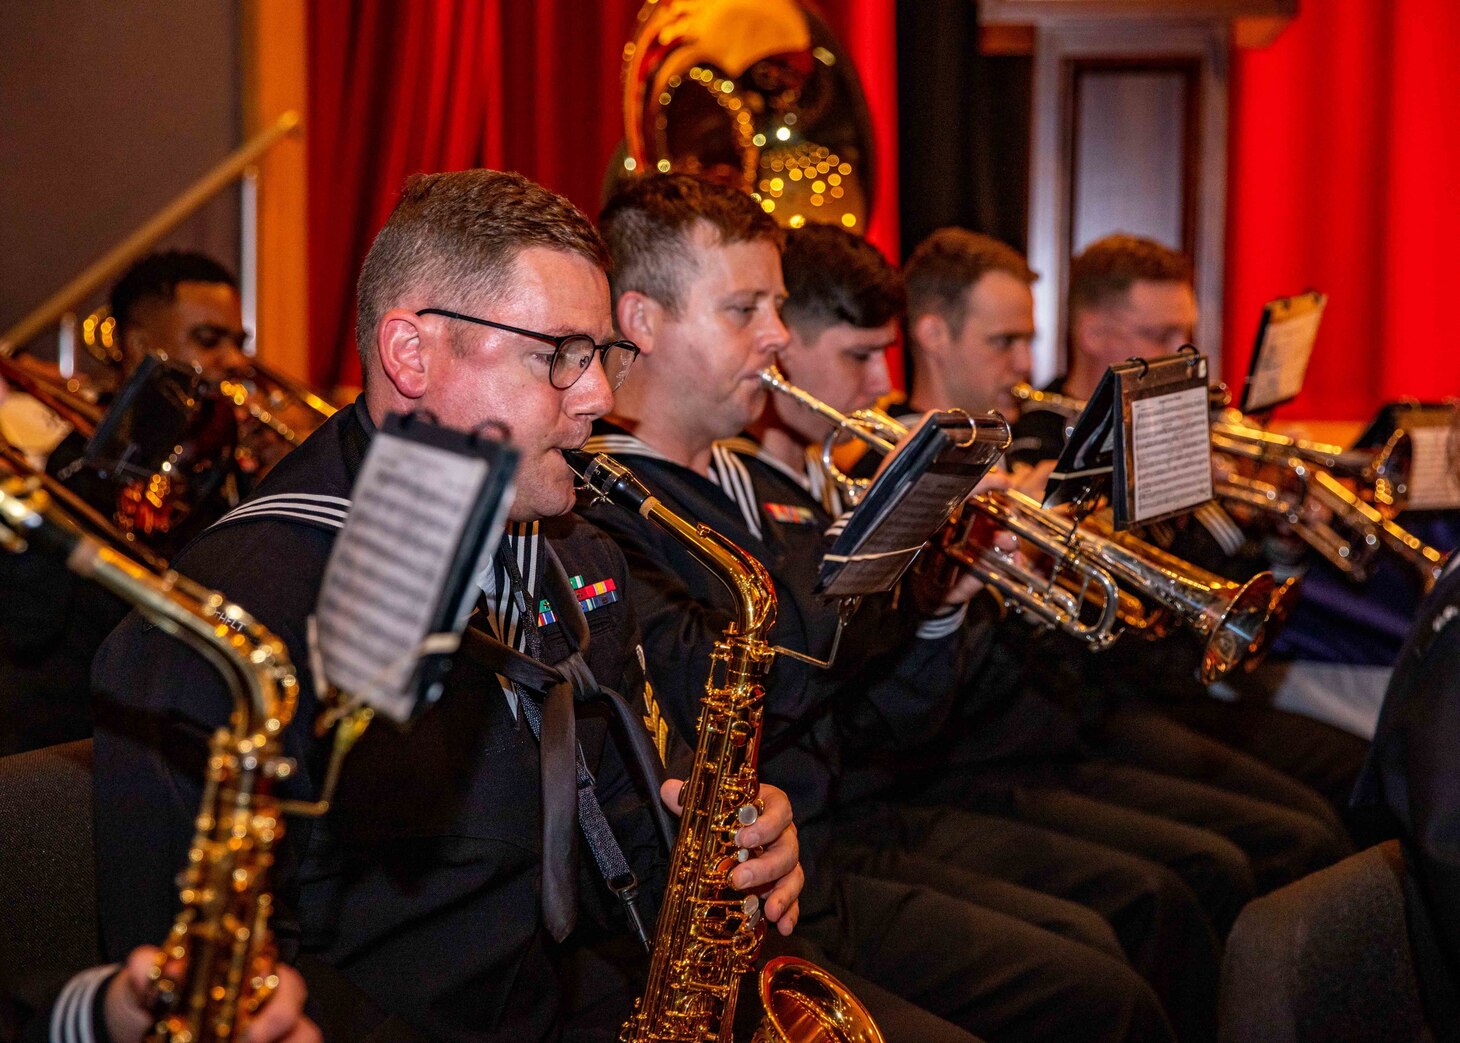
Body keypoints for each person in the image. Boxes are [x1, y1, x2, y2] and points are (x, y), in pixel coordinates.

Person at [87, 170, 803, 1042]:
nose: (600, 398)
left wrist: (732, 848)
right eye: (561, 355)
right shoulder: (233, 612)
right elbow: (208, 984)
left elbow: (626, 817)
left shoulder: (572, 545)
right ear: (411, 354)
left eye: (601, 355)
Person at [586, 173, 1178, 1043]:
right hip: (756, 892)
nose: (778, 337)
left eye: (779, 308)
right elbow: (770, 683)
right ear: (641, 322)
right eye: (746, 308)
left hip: (839, 835)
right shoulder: (608, 505)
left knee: (1106, 964)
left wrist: (946, 595)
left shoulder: (755, 481)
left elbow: (887, 719)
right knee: (1098, 977)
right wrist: (907, 530)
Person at [897, 226, 1353, 894]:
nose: (1024, 362)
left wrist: (1272, 531)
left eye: (1026, 339)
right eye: (1005, 342)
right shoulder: (1025, 446)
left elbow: (1198, 586)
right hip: (1039, 731)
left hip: (1115, 700)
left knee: (1320, 811)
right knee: (1258, 850)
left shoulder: (1072, 440)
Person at [1006, 232, 1374, 818]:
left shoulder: (1186, 424)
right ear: (1093, 333)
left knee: (1360, 767)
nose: (1185, 354)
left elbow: (1235, 588)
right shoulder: (1044, 441)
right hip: (1114, 702)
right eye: (1160, 336)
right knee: (1308, 816)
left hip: (1198, 682)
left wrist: (1278, 535)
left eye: (1187, 333)